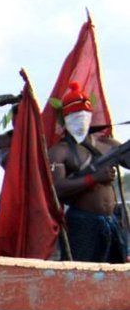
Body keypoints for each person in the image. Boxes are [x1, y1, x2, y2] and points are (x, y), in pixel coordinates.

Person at [47, 81, 128, 264]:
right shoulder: (60, 151)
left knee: (118, 276)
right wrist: (93, 178)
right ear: (65, 118)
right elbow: (57, 189)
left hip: (113, 221)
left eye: (84, 114)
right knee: (81, 274)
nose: (81, 118)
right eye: (75, 114)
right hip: (82, 223)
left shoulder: (108, 145)